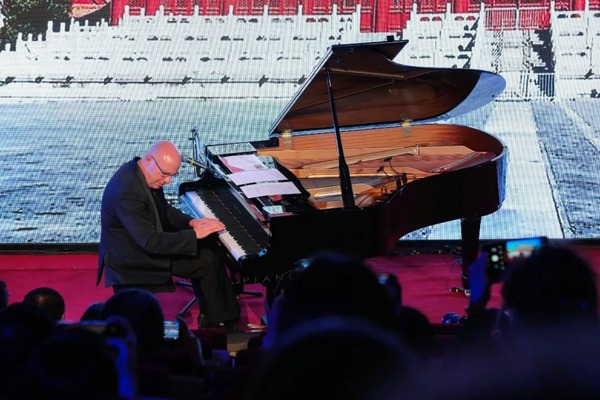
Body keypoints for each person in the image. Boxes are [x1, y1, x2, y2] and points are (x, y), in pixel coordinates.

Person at [96, 140, 240, 328]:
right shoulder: (128, 193)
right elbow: (151, 242)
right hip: (132, 257)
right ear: (149, 160)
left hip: (141, 244)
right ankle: (221, 323)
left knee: (208, 248)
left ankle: (212, 315)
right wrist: (194, 235)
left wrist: (191, 222)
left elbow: (163, 210)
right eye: (165, 175)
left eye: (172, 175)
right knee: (207, 261)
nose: (168, 181)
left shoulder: (143, 172)